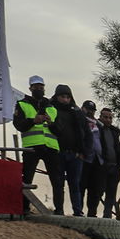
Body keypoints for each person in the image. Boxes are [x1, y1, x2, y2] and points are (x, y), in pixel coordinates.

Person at [13, 76, 64, 214]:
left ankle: (59, 211)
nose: (39, 89)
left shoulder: (52, 107)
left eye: (41, 87)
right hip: (32, 146)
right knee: (27, 179)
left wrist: (51, 123)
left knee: (57, 181)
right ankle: (24, 209)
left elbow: (60, 130)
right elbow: (18, 125)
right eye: (36, 87)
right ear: (30, 88)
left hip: (51, 147)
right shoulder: (22, 104)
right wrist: (33, 121)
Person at [50, 85, 86, 216]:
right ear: (57, 97)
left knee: (75, 184)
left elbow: (84, 132)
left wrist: (82, 152)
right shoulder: (51, 109)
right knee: (58, 184)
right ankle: (59, 210)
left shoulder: (76, 112)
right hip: (57, 152)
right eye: (62, 97)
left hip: (75, 154)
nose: (65, 99)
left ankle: (78, 211)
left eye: (67, 97)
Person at [86, 107, 120, 218]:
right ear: (100, 117)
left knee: (111, 194)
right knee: (96, 192)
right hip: (100, 166)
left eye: (110, 118)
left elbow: (117, 149)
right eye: (105, 117)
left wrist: (119, 165)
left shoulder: (115, 132)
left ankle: (107, 216)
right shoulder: (95, 128)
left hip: (114, 167)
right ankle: (92, 215)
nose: (108, 120)